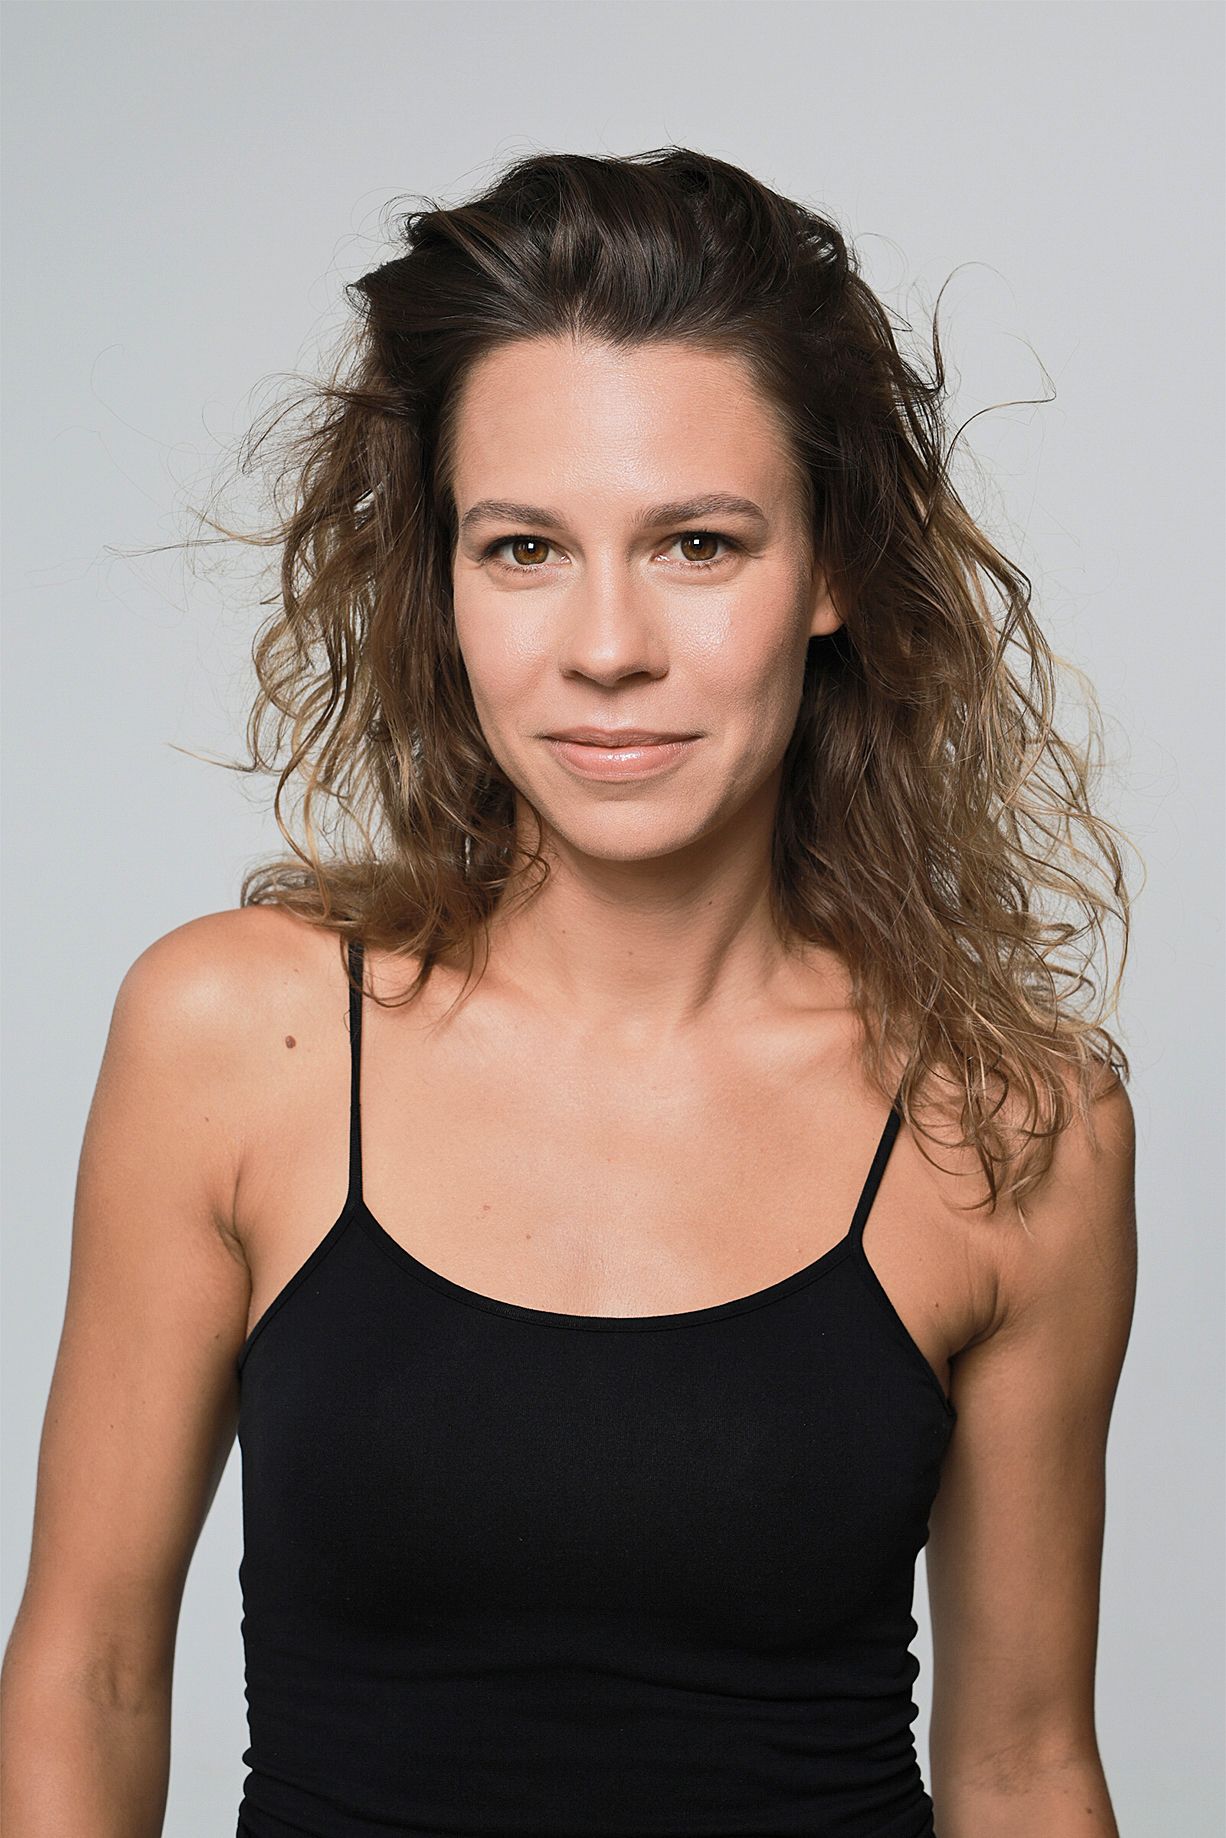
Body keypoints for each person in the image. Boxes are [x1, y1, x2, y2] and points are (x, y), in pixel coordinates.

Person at [0, 147, 1138, 1837]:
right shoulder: (236, 1039)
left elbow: (1021, 1764)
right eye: (525, 546)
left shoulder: (1010, 1117)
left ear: (828, 571)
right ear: (443, 582)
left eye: (697, 543)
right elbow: (87, 1674)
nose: (607, 645)